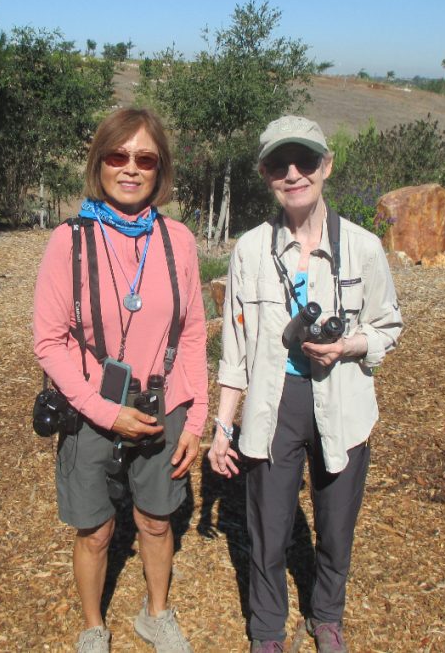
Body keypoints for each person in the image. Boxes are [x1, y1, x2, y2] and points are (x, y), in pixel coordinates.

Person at [208, 116, 403, 653]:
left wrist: (348, 345)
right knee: (269, 527)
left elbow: (388, 325)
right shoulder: (249, 250)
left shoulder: (362, 248)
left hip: (343, 400)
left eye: (306, 161)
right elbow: (237, 351)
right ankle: (268, 631)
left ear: (327, 165)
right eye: (278, 164)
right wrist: (223, 426)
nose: (293, 174)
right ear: (265, 173)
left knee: (336, 527)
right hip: (275, 406)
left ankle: (327, 615)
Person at [33, 108, 208, 652]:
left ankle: (156, 614)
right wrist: (105, 411)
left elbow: (195, 332)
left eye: (145, 159)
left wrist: (195, 420)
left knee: (156, 522)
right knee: (96, 530)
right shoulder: (69, 241)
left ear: (160, 170)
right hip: (91, 405)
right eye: (118, 155)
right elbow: (49, 341)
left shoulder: (178, 239)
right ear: (99, 162)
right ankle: (93, 626)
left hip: (162, 404)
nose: (130, 168)